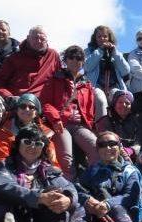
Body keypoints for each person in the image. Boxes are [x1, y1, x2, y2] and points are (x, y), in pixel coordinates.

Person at [0, 26, 60, 158]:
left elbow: (59, 79)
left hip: (37, 102)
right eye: (35, 38)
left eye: (42, 38)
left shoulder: (53, 55)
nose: (39, 41)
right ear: (28, 39)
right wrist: (9, 96)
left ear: (47, 40)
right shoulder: (15, 57)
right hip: (14, 99)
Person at [70, 132, 142, 222]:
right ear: (98, 149)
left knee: (117, 207)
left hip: (122, 219)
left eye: (112, 144)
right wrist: (88, 200)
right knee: (81, 207)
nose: (107, 148)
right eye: (102, 145)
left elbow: (130, 196)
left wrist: (108, 204)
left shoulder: (129, 171)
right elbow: (77, 188)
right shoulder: (91, 170)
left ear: (119, 147)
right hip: (97, 219)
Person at [40, 45, 99, 178]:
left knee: (97, 150)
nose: (75, 61)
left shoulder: (87, 84)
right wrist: (55, 119)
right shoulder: (55, 79)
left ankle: (91, 181)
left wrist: (90, 126)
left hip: (80, 126)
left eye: (79, 58)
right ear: (65, 60)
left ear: (83, 61)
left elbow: (90, 109)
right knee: (66, 159)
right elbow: (45, 103)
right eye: (71, 57)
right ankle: (69, 188)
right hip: (61, 124)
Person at [0, 93, 57, 169]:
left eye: (31, 107)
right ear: (17, 110)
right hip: (13, 172)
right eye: (22, 106)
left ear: (36, 113)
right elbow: (0, 161)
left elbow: (53, 160)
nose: (27, 109)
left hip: (40, 171)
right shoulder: (4, 132)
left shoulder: (45, 133)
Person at [84, 25, 130, 101]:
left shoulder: (116, 52)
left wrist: (115, 53)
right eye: (99, 36)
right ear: (95, 38)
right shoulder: (88, 51)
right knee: (100, 100)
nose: (102, 39)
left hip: (114, 86)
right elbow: (87, 67)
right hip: (96, 86)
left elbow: (125, 71)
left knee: (119, 99)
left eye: (105, 36)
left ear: (109, 38)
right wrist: (100, 50)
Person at [95, 90, 142, 159]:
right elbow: (103, 143)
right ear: (114, 104)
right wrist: (121, 151)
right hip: (110, 156)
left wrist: (131, 150)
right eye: (120, 102)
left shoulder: (136, 122)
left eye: (127, 103)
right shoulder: (104, 121)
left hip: (133, 157)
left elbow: (139, 142)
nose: (123, 105)